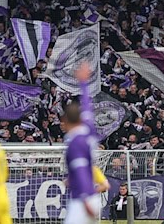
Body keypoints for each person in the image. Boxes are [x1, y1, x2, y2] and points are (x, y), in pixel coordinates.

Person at [63, 63, 100, 224]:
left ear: (64, 121)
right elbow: (86, 107)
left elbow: (81, 172)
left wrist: (85, 200)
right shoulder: (88, 128)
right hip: (91, 196)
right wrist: (83, 83)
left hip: (83, 199)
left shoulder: (75, 143)